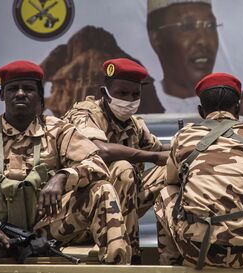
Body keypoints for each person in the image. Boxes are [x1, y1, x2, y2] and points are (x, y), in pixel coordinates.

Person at [0, 60, 130, 264]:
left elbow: (97, 164)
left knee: (102, 190)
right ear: (2, 95)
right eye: (13, 88)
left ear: (40, 96)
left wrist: (63, 177)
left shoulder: (58, 130)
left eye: (28, 89)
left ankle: (117, 265)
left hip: (46, 230)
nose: (21, 93)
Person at [154, 73, 243, 268]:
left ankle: (170, 264)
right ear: (238, 109)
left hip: (197, 253)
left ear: (200, 111)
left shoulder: (184, 136)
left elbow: (171, 180)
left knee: (165, 193)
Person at [63, 58, 169, 263]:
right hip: (86, 209)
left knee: (172, 168)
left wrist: (191, 144)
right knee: (122, 168)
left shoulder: (134, 124)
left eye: (135, 94)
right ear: (105, 92)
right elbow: (99, 149)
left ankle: (174, 251)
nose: (129, 100)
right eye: (122, 93)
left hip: (123, 207)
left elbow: (159, 148)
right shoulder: (84, 113)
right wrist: (154, 157)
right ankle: (128, 257)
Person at [146, 0, 243, 115]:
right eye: (188, 27)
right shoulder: (143, 103)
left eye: (210, 26)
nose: (203, 41)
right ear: (157, 39)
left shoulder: (232, 105)